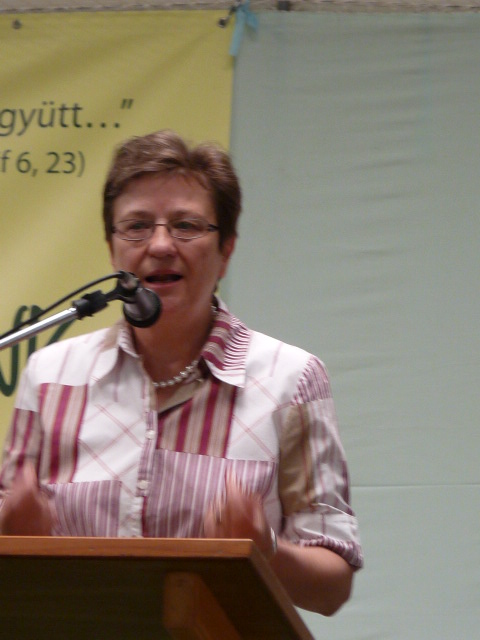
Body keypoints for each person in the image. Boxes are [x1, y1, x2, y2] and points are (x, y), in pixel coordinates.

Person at [0, 130, 363, 615]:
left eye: (186, 226)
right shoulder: (50, 377)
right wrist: (15, 538)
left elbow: (333, 587)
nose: (160, 245)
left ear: (227, 249)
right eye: (136, 226)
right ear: (111, 248)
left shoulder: (290, 381)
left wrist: (264, 549)